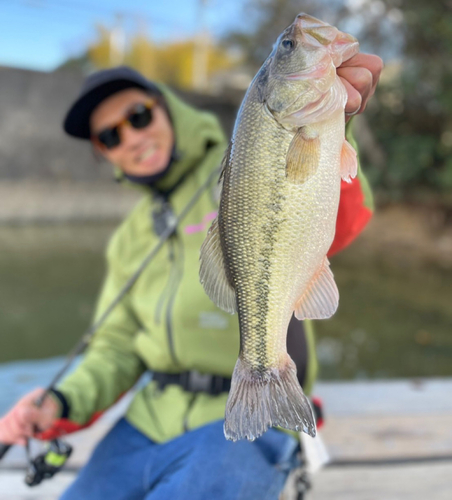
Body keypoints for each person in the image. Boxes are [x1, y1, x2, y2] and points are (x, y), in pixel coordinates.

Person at [0, 51, 382, 499]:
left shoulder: (243, 160)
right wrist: (62, 403)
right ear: (103, 154)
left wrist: (337, 119)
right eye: (110, 135)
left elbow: (343, 218)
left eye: (139, 115)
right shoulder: (129, 237)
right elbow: (116, 346)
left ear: (167, 108)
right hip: (144, 425)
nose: (133, 137)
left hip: (241, 419)